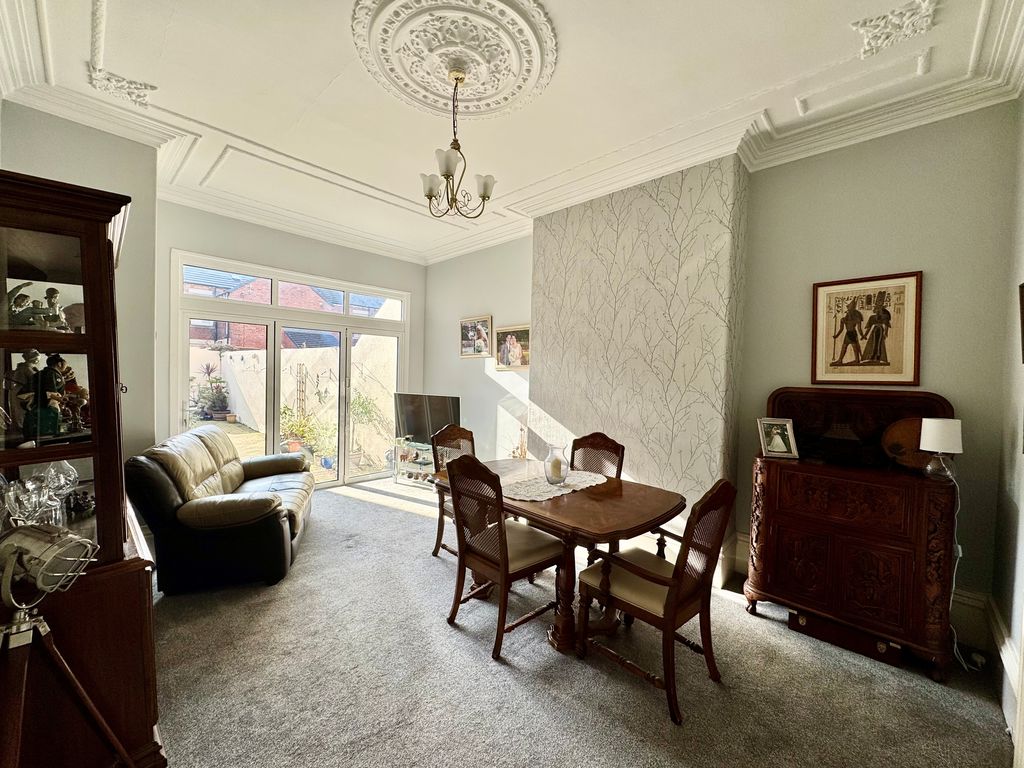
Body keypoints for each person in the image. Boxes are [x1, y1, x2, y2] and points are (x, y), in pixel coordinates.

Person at [831, 298, 865, 366]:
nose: (849, 310)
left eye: (850, 308)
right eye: (848, 308)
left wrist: (862, 335)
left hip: (853, 333)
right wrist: (836, 335)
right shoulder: (844, 319)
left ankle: (856, 360)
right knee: (844, 347)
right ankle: (840, 360)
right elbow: (841, 329)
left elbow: (859, 328)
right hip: (848, 334)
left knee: (854, 347)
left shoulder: (857, 317)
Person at [862, 292, 891, 365]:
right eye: (876, 308)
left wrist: (885, 333)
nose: (876, 310)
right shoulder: (872, 317)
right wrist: (865, 335)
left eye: (878, 308)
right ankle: (872, 356)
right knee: (874, 343)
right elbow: (869, 327)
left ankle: (877, 357)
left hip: (880, 329)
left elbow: (886, 325)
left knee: (878, 344)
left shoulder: (884, 316)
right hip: (875, 330)